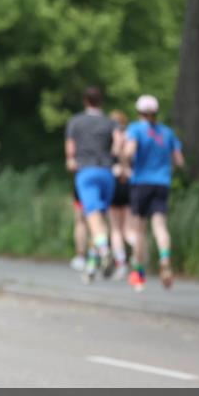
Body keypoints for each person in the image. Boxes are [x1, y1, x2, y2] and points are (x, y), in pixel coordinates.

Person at [123, 95, 184, 292]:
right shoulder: (167, 133)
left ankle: (138, 273)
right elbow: (179, 160)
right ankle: (165, 258)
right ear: (155, 113)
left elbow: (130, 151)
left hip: (141, 182)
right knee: (159, 225)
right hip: (162, 183)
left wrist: (125, 163)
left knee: (140, 229)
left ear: (139, 112)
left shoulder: (135, 129)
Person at [65, 86, 124, 282]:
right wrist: (116, 159)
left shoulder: (76, 122)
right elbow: (118, 144)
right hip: (106, 173)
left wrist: (71, 160)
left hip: (86, 172)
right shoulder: (110, 122)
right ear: (101, 102)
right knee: (100, 220)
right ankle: (91, 266)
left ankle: (105, 250)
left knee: (91, 217)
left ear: (85, 101)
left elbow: (70, 149)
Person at [108, 110, 134, 279]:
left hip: (115, 180)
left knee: (115, 228)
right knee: (129, 228)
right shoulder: (132, 136)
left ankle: (121, 262)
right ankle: (139, 258)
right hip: (132, 181)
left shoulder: (110, 137)